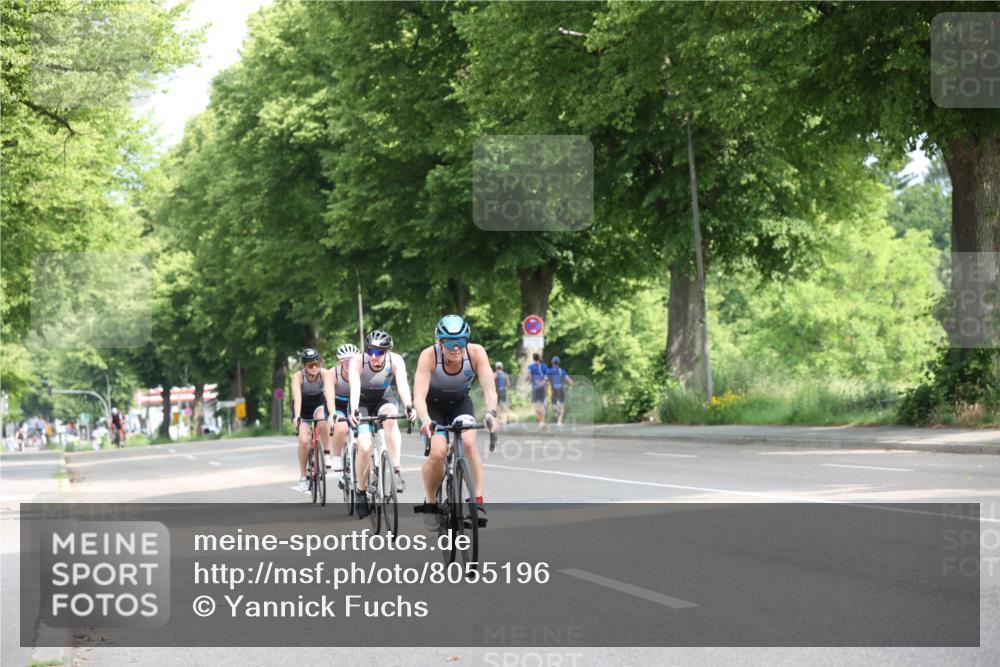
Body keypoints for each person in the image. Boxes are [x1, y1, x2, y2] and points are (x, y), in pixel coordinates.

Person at [413, 314, 499, 529]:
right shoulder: (428, 356)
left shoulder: (477, 353)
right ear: (439, 342)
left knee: (469, 444)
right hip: (432, 407)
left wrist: (492, 413)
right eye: (450, 343)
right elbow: (418, 396)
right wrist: (424, 420)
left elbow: (490, 390)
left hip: (460, 403)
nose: (456, 348)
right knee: (438, 452)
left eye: (461, 342)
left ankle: (476, 501)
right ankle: (431, 502)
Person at [348, 330, 415, 518]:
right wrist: (353, 409)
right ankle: (361, 492)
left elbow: (402, 385)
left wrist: (409, 406)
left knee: (391, 417)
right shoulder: (358, 361)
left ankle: (396, 468)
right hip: (361, 402)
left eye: (379, 352)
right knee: (364, 445)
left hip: (383, 398)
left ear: (387, 352)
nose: (374, 357)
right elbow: (354, 387)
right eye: (370, 351)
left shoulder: (396, 361)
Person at [291, 348, 337, 492]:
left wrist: (332, 413)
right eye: (310, 365)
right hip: (302, 407)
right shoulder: (298, 377)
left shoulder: (324, 374)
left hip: (318, 404)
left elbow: (329, 396)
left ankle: (327, 452)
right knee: (304, 441)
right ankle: (303, 475)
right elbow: (297, 399)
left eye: (316, 364)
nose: (314, 367)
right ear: (304, 366)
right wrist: (297, 416)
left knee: (322, 420)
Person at [329, 343, 360, 472]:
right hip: (338, 404)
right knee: (341, 427)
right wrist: (332, 413)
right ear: (341, 362)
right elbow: (329, 397)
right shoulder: (333, 373)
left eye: (353, 361)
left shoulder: (361, 371)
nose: (350, 364)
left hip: (355, 404)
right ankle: (336, 456)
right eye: (347, 361)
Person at [546, 356, 574, 427]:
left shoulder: (549, 371)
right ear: (558, 363)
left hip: (554, 390)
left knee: (554, 405)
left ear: (552, 363)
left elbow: (545, 380)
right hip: (561, 389)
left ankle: (557, 411)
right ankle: (559, 422)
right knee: (562, 405)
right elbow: (569, 381)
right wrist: (572, 385)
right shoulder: (562, 371)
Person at [527, 353, 549, 428]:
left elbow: (529, 376)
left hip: (535, 388)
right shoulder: (544, 366)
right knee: (542, 405)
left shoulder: (530, 367)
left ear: (533, 359)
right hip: (542, 388)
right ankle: (542, 421)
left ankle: (539, 421)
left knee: (537, 405)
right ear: (539, 358)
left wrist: (531, 382)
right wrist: (541, 383)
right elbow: (546, 378)